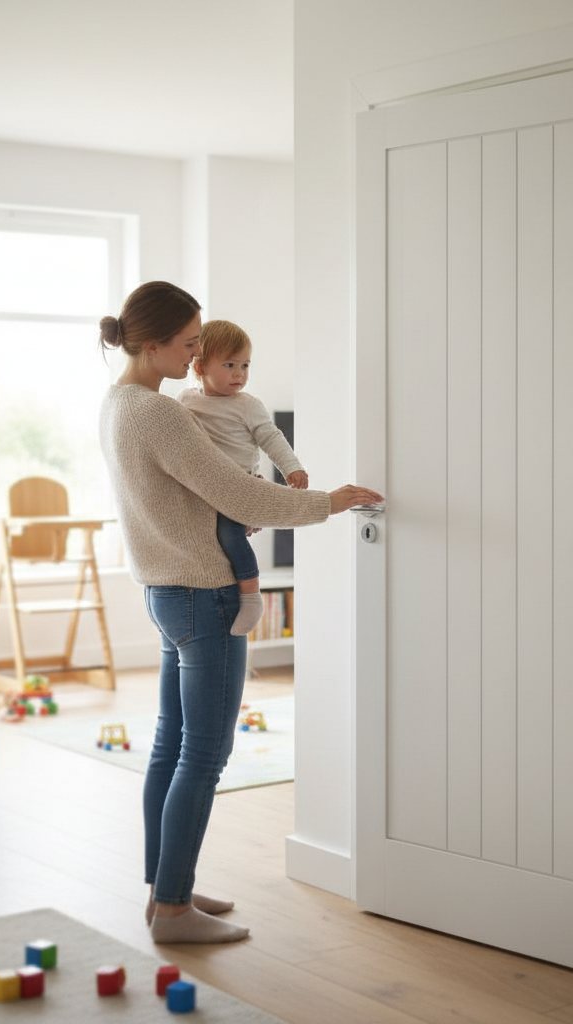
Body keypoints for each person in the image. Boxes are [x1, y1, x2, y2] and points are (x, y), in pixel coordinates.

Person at [97, 281, 383, 945]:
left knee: (171, 745)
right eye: (189, 343)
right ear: (152, 344)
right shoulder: (160, 413)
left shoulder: (117, 404)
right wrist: (331, 502)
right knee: (204, 753)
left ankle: (164, 889)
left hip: (164, 592)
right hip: (205, 592)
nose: (196, 354)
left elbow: (189, 494)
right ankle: (173, 912)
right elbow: (240, 495)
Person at [178, 318, 305, 638]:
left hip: (240, 486)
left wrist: (291, 468)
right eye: (230, 365)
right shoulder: (187, 401)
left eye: (245, 365)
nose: (239, 373)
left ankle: (251, 597)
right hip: (205, 488)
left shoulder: (247, 405)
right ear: (200, 368)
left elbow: (271, 438)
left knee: (232, 536)